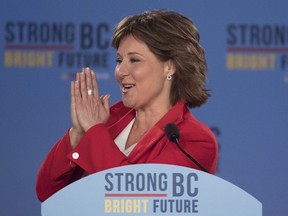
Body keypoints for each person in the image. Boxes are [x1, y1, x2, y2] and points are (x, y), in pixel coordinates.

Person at [36, 9, 218, 202]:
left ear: (170, 66)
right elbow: (47, 192)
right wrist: (78, 133)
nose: (120, 71)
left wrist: (94, 132)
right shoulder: (108, 119)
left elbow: (140, 202)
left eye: (134, 60)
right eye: (119, 60)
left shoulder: (195, 141)